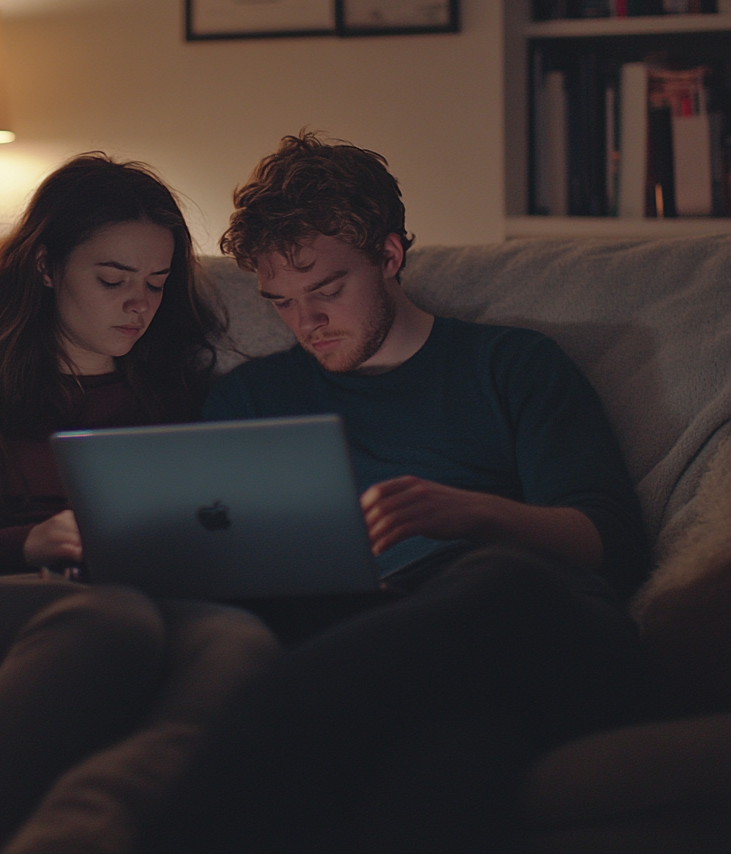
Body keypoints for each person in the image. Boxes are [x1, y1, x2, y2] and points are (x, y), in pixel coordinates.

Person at [150, 133, 651, 853]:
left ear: (389, 257)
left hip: (529, 624)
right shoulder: (251, 400)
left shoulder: (511, 365)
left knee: (500, 577)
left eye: (326, 290)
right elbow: (212, 562)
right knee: (448, 765)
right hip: (375, 647)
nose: (306, 322)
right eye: (281, 303)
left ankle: (267, 714)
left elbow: (616, 547)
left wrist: (473, 514)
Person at [0, 154, 278, 854]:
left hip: (121, 594)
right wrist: (22, 545)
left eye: (157, 284)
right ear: (44, 268)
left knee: (238, 639)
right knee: (111, 617)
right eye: (112, 280)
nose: (139, 303)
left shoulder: (164, 391)